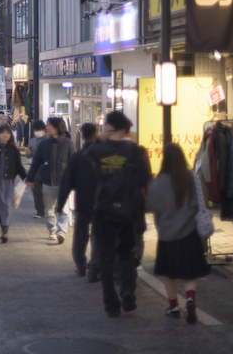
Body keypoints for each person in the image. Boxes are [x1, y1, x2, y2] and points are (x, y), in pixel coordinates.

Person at [84, 111, 150, 317]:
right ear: (125, 130)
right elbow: (144, 179)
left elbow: (85, 167)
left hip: (103, 210)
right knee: (126, 252)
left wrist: (100, 140)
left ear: (108, 127)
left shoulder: (96, 150)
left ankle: (112, 304)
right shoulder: (134, 150)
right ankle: (128, 290)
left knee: (105, 257)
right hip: (127, 210)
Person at [147, 143, 211, 323]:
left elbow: (151, 206)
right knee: (189, 273)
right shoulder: (191, 178)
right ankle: (190, 299)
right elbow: (203, 198)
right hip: (189, 233)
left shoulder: (158, 182)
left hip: (167, 236)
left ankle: (174, 307)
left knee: (169, 273)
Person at [56, 123, 100, 281]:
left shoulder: (76, 157)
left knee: (80, 235)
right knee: (98, 236)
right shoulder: (104, 156)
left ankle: (81, 266)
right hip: (101, 203)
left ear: (81, 136)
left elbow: (66, 182)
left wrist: (60, 204)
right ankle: (95, 268)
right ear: (97, 134)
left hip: (82, 202)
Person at [26, 117, 75, 242]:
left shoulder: (68, 143)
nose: (46, 128)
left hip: (64, 182)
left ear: (57, 128)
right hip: (47, 182)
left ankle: (61, 231)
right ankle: (52, 229)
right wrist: (30, 178)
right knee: (49, 210)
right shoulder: (43, 144)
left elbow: (74, 163)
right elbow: (35, 162)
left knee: (63, 209)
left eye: (49, 126)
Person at [0, 124, 27, 243]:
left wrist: (26, 178)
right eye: (3, 132)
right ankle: (3, 225)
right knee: (0, 205)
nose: (5, 135)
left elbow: (18, 165)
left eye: (8, 133)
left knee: (7, 205)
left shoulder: (13, 149)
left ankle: (5, 230)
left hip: (9, 182)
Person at [25, 120, 47, 218]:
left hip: (47, 168)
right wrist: (28, 154)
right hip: (36, 168)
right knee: (36, 190)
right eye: (35, 129)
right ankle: (40, 211)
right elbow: (29, 156)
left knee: (48, 191)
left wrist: (33, 154)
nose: (37, 131)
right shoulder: (32, 140)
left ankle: (50, 209)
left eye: (39, 129)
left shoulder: (49, 140)